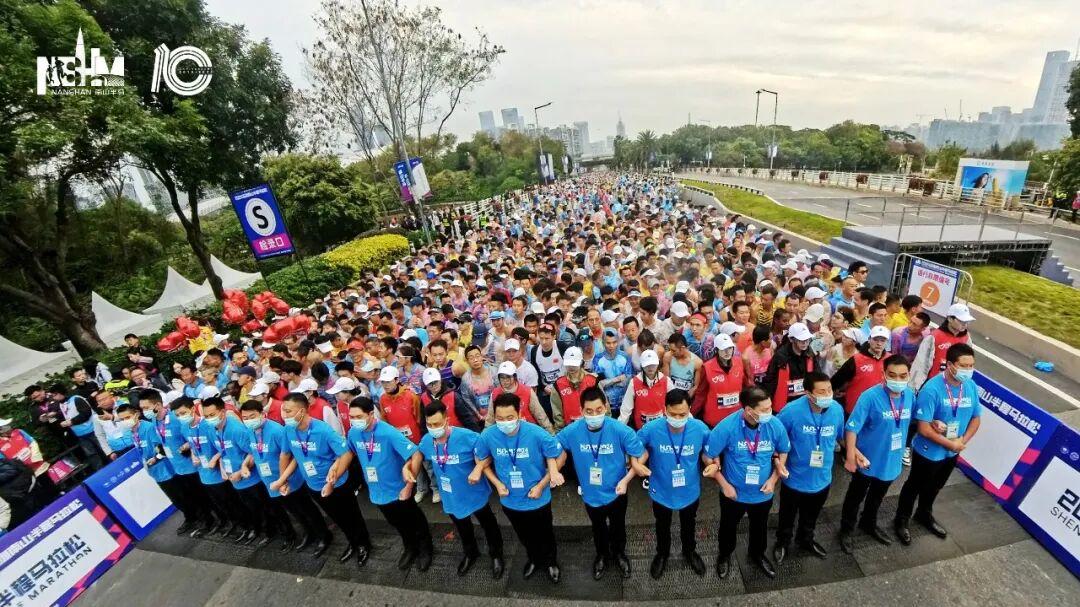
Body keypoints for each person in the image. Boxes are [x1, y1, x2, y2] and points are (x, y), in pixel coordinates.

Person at [895, 343, 981, 545]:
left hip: (952, 451)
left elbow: (976, 418)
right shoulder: (932, 389)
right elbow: (923, 428)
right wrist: (950, 444)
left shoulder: (970, 386)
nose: (968, 370)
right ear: (950, 365)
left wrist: (961, 442)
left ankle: (924, 514)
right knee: (914, 485)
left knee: (936, 486)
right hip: (928, 451)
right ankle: (901, 520)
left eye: (971, 366)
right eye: (964, 365)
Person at [408, 400, 505, 578]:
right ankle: (471, 553)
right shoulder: (427, 440)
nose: (433, 428)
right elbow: (418, 453)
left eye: (437, 424)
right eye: (429, 424)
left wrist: (478, 468)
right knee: (462, 526)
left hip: (474, 493)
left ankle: (496, 554)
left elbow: (488, 454)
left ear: (447, 420)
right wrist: (409, 469)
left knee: (488, 524)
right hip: (450, 495)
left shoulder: (468, 437)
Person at [556, 386, 643, 580]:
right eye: (588, 411)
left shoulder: (620, 430)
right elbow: (556, 447)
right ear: (581, 411)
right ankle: (602, 555)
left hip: (617, 491)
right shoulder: (572, 431)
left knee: (618, 526)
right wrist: (554, 470)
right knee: (598, 527)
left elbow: (639, 453)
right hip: (590, 494)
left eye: (598, 410)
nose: (594, 415)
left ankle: (619, 553)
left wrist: (628, 478)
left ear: (605, 408)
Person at [474, 391, 563, 583]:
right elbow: (481, 458)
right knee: (524, 534)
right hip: (510, 500)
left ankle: (551, 562)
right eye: (499, 418)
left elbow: (555, 454)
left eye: (509, 417)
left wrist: (544, 483)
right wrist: (497, 483)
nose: (504, 422)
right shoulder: (488, 435)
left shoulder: (536, 433)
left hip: (538, 497)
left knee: (545, 533)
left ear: (520, 415)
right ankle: (533, 558)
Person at [278, 392, 371, 566]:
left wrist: (331, 482)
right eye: (283, 410)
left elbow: (345, 454)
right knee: (336, 517)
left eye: (289, 411)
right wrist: (283, 479)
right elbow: (285, 454)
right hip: (313, 485)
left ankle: (363, 544)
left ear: (302, 411)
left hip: (339, 485)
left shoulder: (323, 430)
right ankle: (352, 542)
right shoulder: (288, 430)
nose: (284, 415)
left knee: (352, 516)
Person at [706, 386, 790, 579]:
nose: (770, 412)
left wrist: (774, 479)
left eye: (770, 407)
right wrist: (723, 484)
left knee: (759, 526)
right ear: (749, 411)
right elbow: (708, 456)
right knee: (728, 526)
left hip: (763, 492)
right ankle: (724, 555)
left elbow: (783, 450)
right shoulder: (727, 427)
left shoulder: (774, 424)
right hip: (733, 493)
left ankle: (757, 554)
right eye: (765, 409)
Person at [839, 355, 916, 554]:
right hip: (867, 460)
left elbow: (911, 422)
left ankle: (868, 523)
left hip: (891, 460)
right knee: (855, 496)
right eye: (892, 375)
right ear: (883, 375)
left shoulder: (909, 395)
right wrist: (850, 457)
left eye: (903, 376)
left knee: (877, 496)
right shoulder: (870, 397)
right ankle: (846, 529)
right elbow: (852, 428)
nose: (898, 380)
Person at [347, 396, 434, 571]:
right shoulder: (353, 433)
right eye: (351, 417)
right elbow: (350, 452)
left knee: (414, 519)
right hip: (376, 490)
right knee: (395, 522)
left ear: (371, 414)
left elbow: (415, 454)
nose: (354, 421)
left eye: (358, 417)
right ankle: (410, 546)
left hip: (398, 489)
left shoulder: (388, 432)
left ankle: (426, 548)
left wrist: (409, 484)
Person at [633, 389, 711, 579]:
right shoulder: (651, 429)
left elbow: (709, 452)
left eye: (682, 414)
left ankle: (690, 551)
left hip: (689, 490)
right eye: (673, 414)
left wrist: (713, 465)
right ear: (664, 410)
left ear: (689, 409)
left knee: (689, 523)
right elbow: (637, 449)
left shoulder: (699, 428)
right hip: (661, 490)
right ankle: (662, 553)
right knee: (662, 524)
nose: (677, 418)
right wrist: (636, 463)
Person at [773, 371, 844, 563]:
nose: (827, 395)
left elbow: (840, 436)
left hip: (822, 478)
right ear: (808, 393)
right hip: (794, 478)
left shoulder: (837, 409)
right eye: (821, 392)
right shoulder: (791, 411)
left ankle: (806, 539)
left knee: (811, 515)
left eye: (829, 390)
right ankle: (783, 542)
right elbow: (775, 437)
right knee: (787, 515)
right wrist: (777, 460)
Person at [238, 400, 327, 554]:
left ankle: (324, 536)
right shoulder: (250, 431)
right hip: (270, 481)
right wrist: (244, 465)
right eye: (245, 418)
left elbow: (291, 455)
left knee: (306, 509)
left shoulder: (277, 431)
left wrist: (284, 479)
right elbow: (254, 451)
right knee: (292, 511)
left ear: (262, 414)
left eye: (252, 416)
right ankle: (309, 533)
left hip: (289, 480)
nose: (248, 421)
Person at [173, 396, 252, 543]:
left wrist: (216, 460)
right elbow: (192, 443)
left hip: (219, 472)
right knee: (219, 503)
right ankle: (234, 524)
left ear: (192, 409)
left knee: (231, 501)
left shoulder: (208, 425)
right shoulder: (185, 428)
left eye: (182, 413)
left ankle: (247, 526)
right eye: (177, 415)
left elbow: (220, 447)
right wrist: (192, 454)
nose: (180, 417)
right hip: (203, 472)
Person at [136, 390, 214, 537]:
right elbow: (162, 442)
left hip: (192, 465)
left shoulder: (176, 417)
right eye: (142, 408)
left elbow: (192, 436)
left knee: (204, 496)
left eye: (146, 407)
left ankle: (211, 521)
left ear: (157, 405)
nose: (144, 411)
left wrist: (188, 448)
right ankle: (204, 520)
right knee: (192, 497)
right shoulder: (154, 421)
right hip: (177, 468)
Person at [202, 397, 275, 547]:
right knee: (249, 507)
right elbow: (221, 451)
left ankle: (272, 532)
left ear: (222, 412)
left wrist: (241, 470)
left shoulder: (236, 429)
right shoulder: (212, 429)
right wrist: (223, 469)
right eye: (206, 416)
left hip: (251, 478)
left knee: (264, 508)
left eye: (211, 415)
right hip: (233, 479)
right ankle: (258, 529)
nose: (209, 419)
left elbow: (253, 452)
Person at [910, 303, 974, 389]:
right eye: (961, 321)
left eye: (967, 322)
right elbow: (921, 365)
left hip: (955, 384)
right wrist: (914, 388)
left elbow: (969, 362)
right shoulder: (934, 337)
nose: (965, 325)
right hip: (934, 385)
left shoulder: (966, 337)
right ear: (950, 319)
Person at [830, 325, 890, 415]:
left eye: (882, 340)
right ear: (869, 339)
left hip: (880, 410)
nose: (879, 343)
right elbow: (836, 380)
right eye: (876, 339)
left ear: (887, 342)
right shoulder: (856, 359)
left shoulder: (891, 360)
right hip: (855, 410)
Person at [694, 334, 746, 427]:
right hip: (715, 420)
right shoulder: (707, 367)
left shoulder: (739, 363)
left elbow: (746, 386)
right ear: (717, 350)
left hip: (735, 417)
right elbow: (701, 393)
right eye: (723, 349)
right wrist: (692, 413)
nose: (727, 352)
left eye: (730, 348)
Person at [761, 322, 815, 412]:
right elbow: (770, 380)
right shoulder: (780, 356)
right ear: (791, 339)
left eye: (807, 339)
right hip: (785, 403)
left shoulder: (809, 353)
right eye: (801, 340)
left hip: (805, 401)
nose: (805, 343)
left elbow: (816, 375)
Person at [50, 383, 105, 471]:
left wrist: (71, 421)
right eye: (52, 395)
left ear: (60, 392)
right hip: (80, 434)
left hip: (93, 429)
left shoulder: (76, 399)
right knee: (91, 454)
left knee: (104, 448)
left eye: (55, 395)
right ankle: (100, 471)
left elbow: (86, 413)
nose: (54, 397)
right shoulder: (61, 404)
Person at [618, 349, 670, 431]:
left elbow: (676, 402)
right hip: (641, 429)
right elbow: (626, 409)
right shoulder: (634, 382)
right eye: (647, 365)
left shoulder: (666, 381)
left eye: (653, 364)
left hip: (662, 428)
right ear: (642, 365)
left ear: (658, 363)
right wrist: (619, 430)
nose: (650, 368)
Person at [550, 347, 598, 430]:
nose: (571, 367)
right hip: (570, 429)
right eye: (568, 364)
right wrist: (560, 431)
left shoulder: (593, 381)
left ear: (581, 362)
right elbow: (557, 413)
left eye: (574, 364)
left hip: (593, 426)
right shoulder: (558, 385)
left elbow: (604, 406)